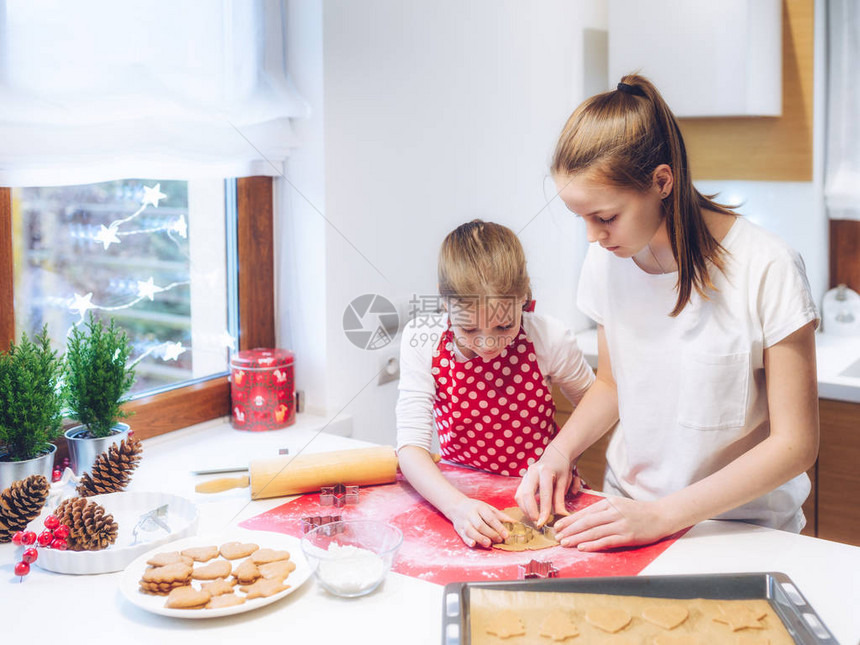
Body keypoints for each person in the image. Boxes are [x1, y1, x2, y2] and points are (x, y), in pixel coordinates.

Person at [515, 74, 820, 551]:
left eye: (606, 216)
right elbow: (614, 385)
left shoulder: (768, 266)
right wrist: (558, 451)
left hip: (743, 530)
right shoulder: (606, 260)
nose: (593, 236)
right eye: (583, 219)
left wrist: (663, 515)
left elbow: (795, 444)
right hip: (628, 516)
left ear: (661, 181)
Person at [397, 220, 595, 548]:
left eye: (504, 325)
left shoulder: (549, 337)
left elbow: (593, 411)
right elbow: (411, 449)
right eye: (470, 330)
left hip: (537, 493)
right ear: (445, 302)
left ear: (524, 297)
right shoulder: (423, 340)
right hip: (457, 492)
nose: (488, 344)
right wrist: (456, 506)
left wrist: (564, 457)